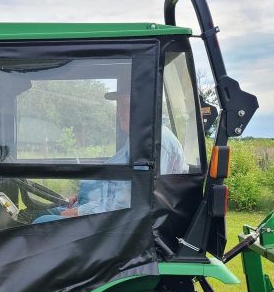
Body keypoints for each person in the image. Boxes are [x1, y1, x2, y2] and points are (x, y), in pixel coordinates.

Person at [34, 88, 186, 223]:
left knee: (40, 223)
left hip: (117, 222)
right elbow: (115, 177)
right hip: (100, 208)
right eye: (119, 106)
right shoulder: (137, 138)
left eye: (126, 105)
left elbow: (132, 200)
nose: (119, 112)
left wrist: (80, 212)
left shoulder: (155, 143)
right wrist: (82, 193)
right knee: (39, 214)